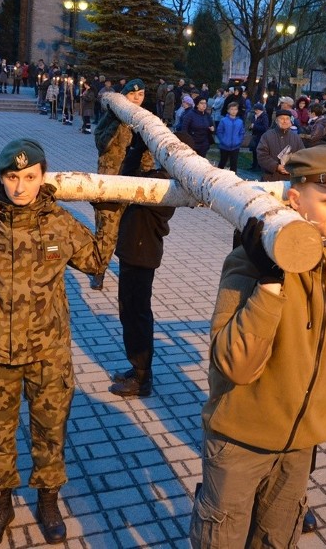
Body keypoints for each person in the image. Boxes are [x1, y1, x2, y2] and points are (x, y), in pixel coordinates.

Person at [189, 144, 326, 548]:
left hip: (299, 452)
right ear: (295, 199)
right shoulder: (249, 262)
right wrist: (269, 283)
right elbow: (236, 366)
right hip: (238, 445)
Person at [0, 138, 118, 547]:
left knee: (49, 433)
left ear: (43, 177)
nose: (20, 187)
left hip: (48, 355)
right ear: (1, 178)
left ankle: (48, 501)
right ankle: (1, 503)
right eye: (12, 177)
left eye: (29, 177)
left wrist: (109, 213)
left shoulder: (60, 223)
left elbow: (96, 261)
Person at [109, 132, 196, 397]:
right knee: (130, 313)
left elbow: (127, 178)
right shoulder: (160, 177)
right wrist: (139, 145)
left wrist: (138, 149)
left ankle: (141, 377)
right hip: (135, 252)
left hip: (141, 254)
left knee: (137, 316)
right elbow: (129, 175)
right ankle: (137, 369)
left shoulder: (165, 183)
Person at [90, 78, 154, 290]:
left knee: (129, 232)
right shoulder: (111, 117)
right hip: (110, 182)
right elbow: (102, 144)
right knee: (106, 230)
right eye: (132, 94)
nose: (137, 98)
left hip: (134, 184)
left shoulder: (145, 121)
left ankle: (128, 270)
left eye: (141, 94)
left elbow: (148, 156)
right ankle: (99, 270)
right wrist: (119, 122)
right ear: (124, 95)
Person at [255, 109, 305, 181]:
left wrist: (293, 168)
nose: (285, 121)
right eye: (282, 118)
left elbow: (302, 155)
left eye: (287, 119)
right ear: (276, 121)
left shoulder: (296, 138)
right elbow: (261, 155)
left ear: (290, 121)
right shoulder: (267, 136)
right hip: (271, 178)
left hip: (291, 180)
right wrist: (276, 166)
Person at [216, 102, 245, 172]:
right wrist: (223, 140)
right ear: (228, 110)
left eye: (235, 109)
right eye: (231, 109)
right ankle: (218, 177)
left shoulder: (240, 122)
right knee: (222, 163)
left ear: (237, 110)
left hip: (235, 147)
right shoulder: (223, 120)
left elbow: (242, 133)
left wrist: (239, 141)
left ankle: (233, 180)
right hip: (224, 146)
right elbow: (219, 131)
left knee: (234, 164)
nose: (233, 111)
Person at [248, 102, 269, 172]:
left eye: (256, 110)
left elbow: (265, 128)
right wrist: (250, 127)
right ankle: (254, 165)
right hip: (255, 136)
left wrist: (255, 126)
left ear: (260, 110)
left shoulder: (264, 117)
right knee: (254, 151)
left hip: (261, 137)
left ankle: (259, 166)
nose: (255, 111)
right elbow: (252, 125)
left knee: (259, 152)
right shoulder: (254, 116)